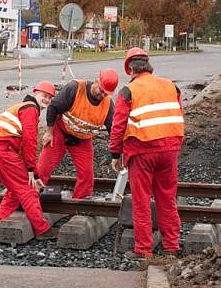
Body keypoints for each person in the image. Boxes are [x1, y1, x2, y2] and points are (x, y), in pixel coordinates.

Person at [109, 48, 184, 258]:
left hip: (142, 151)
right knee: (167, 198)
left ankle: (143, 250)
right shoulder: (172, 86)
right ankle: (171, 247)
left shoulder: (129, 90)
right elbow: (176, 115)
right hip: (169, 149)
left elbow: (118, 125)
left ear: (131, 69)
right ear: (149, 66)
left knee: (141, 201)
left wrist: (115, 154)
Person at [0, 81, 59, 239]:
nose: (47, 99)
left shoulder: (24, 107)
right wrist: (31, 170)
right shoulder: (31, 109)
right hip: (3, 147)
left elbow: (22, 145)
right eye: (44, 96)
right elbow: (29, 141)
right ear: (35, 93)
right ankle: (42, 230)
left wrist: (37, 175)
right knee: (28, 189)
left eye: (50, 98)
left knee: (14, 191)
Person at [36, 69, 119, 198]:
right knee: (43, 167)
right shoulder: (75, 88)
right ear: (97, 81)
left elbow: (112, 130)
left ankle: (80, 203)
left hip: (83, 139)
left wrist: (117, 154)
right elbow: (53, 108)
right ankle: (31, 195)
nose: (102, 95)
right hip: (60, 131)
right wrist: (49, 132)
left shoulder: (107, 105)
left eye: (106, 93)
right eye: (101, 91)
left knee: (87, 174)